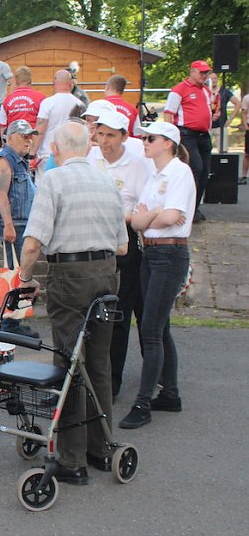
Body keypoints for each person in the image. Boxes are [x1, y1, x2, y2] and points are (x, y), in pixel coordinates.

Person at [18, 121, 128, 486]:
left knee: (68, 360)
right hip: (107, 272)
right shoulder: (106, 181)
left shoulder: (54, 180)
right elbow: (122, 244)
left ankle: (72, 457)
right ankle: (101, 446)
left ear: (60, 147)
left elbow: (34, 241)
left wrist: (23, 277)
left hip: (71, 273)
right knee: (99, 361)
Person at [119, 122, 195, 429]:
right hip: (151, 251)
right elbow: (140, 220)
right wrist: (153, 215)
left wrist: (150, 215)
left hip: (169, 253)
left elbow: (168, 216)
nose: (144, 141)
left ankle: (142, 402)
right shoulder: (154, 176)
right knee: (158, 327)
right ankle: (170, 393)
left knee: (150, 328)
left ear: (168, 143)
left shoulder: (179, 172)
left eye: (151, 138)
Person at [86, 111, 150, 398]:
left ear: (124, 136)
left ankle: (111, 383)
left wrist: (118, 216)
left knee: (118, 316)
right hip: (92, 244)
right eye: (100, 135)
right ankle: (86, 378)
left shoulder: (137, 165)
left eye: (111, 135)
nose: (105, 141)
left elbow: (144, 209)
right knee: (89, 314)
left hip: (124, 245)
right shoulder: (91, 160)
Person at [0, 119, 39, 338]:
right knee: (15, 274)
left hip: (23, 223)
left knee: (20, 274)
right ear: (10, 138)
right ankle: (7, 324)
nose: (28, 140)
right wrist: (8, 225)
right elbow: (1, 194)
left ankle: (10, 320)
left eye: (30, 136)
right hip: (14, 224)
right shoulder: (5, 160)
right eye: (23, 136)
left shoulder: (20, 161)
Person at [163, 60, 213, 222]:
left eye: (206, 73)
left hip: (203, 135)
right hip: (187, 134)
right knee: (195, 169)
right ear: (192, 72)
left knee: (205, 171)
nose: (204, 76)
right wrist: (171, 136)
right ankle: (185, 206)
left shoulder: (206, 90)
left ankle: (195, 208)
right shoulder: (179, 89)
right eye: (201, 72)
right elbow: (169, 113)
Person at [32, 70, 84, 180]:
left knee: (44, 189)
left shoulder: (48, 103)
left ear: (54, 84)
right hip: (71, 156)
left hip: (48, 153)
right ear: (70, 84)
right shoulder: (80, 104)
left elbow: (40, 131)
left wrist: (32, 153)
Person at [0, 66, 45, 131]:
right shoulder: (41, 98)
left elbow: (2, 125)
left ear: (16, 80)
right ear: (30, 80)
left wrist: (5, 141)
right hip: (33, 137)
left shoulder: (7, 100)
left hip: (14, 138)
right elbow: (44, 122)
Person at [209, 72, 241, 152]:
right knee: (205, 151)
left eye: (215, 78)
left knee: (223, 151)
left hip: (221, 125)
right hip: (207, 126)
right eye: (211, 79)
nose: (214, 80)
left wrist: (230, 119)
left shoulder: (224, 91)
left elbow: (237, 103)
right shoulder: (205, 91)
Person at [241, 91, 249, 185]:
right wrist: (245, 125)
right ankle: (244, 176)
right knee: (247, 154)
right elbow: (244, 112)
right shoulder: (247, 98)